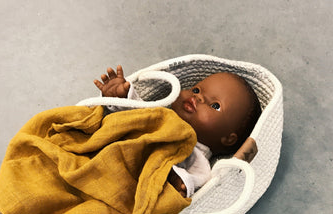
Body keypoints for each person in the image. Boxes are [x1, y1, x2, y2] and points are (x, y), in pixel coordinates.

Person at [94, 65, 261, 197]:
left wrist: (179, 180)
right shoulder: (161, 114)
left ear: (228, 139)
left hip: (123, 184)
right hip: (103, 158)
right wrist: (121, 96)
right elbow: (138, 115)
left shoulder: (196, 157)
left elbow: (198, 180)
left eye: (215, 105)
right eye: (196, 90)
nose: (198, 97)